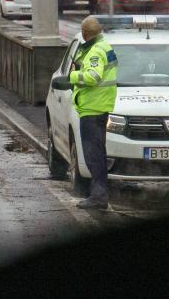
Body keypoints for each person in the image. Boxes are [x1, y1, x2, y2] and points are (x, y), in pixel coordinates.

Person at [69, 16, 118, 209]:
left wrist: (72, 76)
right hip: (99, 106)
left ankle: (98, 196)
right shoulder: (104, 46)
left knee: (93, 155)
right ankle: (99, 194)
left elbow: (93, 76)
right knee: (98, 153)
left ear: (85, 33)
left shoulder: (97, 50)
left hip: (93, 108)